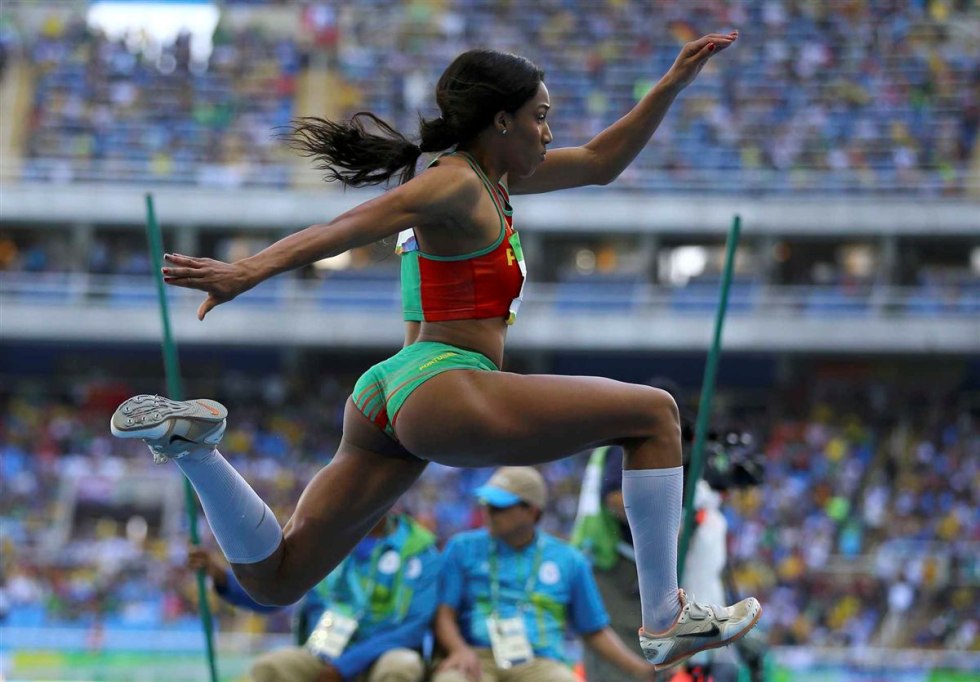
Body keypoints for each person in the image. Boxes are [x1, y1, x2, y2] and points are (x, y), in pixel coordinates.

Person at [110, 33, 760, 672]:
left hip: (388, 394)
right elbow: (350, 225)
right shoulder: (456, 184)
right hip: (444, 382)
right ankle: (665, 619)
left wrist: (672, 84)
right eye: (539, 117)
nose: (548, 133)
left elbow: (599, 161)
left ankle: (195, 450)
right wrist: (246, 271)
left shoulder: (492, 181)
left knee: (276, 580)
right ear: (501, 121)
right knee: (655, 414)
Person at [432, 466, 657, 682]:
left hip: (540, 663)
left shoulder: (568, 560)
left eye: (499, 507)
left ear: (532, 512)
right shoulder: (461, 548)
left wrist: (642, 669)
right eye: (486, 504)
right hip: (475, 657)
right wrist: (458, 649)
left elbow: (593, 630)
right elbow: (444, 614)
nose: (488, 513)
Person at [188, 511, 440, 682]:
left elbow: (413, 627)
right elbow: (278, 593)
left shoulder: (419, 549)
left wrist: (344, 667)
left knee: (400, 667)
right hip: (325, 652)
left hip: (385, 654)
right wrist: (221, 577)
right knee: (270, 668)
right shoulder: (323, 544)